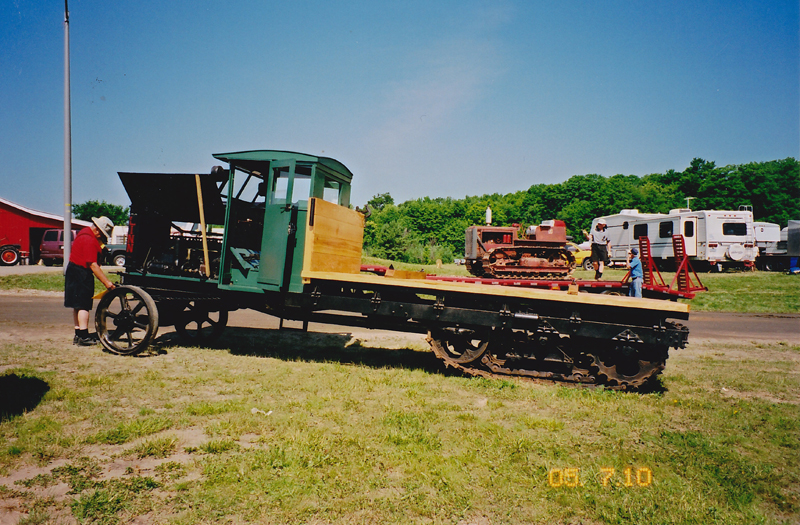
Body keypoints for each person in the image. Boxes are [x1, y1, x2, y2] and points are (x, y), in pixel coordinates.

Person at [64, 216, 117, 345]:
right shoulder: (89, 240)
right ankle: (83, 336)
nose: (102, 238)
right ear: (98, 231)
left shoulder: (84, 233)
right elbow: (93, 265)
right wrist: (107, 283)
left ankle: (78, 334)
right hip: (81, 272)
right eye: (102, 235)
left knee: (77, 304)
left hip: (73, 270)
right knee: (83, 305)